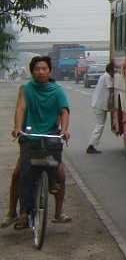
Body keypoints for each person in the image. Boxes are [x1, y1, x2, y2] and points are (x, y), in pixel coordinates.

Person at [3, 56, 71, 230]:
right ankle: (12, 212)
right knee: (18, 174)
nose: (40, 72)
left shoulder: (58, 91)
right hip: (30, 138)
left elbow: (64, 111)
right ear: (32, 71)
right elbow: (21, 108)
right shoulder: (25, 89)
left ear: (49, 71)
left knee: (60, 175)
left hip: (50, 139)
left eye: (44, 69)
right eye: (37, 69)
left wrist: (64, 130)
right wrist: (18, 128)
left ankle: (58, 212)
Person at [86, 62, 114, 154]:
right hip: (99, 105)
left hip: (98, 104)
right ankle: (91, 146)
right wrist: (111, 105)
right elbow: (111, 91)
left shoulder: (104, 76)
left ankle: (92, 145)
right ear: (111, 70)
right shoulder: (107, 77)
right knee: (100, 125)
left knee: (100, 125)